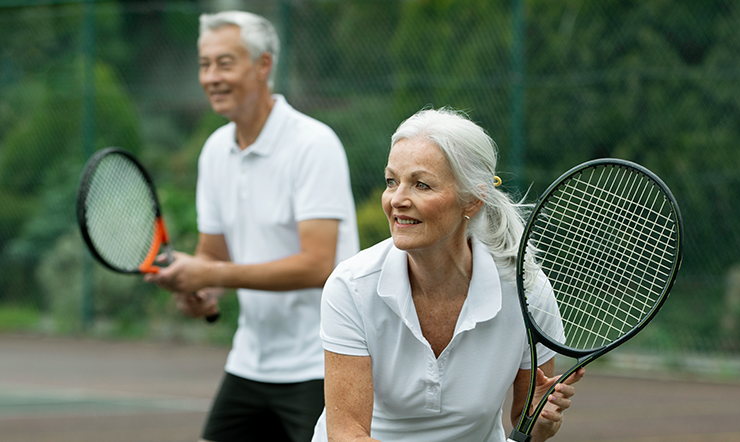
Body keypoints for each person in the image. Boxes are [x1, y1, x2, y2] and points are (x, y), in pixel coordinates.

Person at [144, 10, 360, 442]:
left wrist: (212, 274)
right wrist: (201, 290)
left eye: (225, 63)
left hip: (320, 360)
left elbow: (319, 265)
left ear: (263, 66)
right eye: (205, 65)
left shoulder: (313, 145)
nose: (211, 77)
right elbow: (214, 257)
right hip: (249, 360)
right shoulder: (213, 151)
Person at [310, 108, 584, 442]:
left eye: (421, 185)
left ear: (472, 200)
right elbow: (347, 434)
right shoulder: (350, 287)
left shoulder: (527, 290)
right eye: (391, 181)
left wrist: (539, 424)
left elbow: (524, 419)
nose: (397, 200)